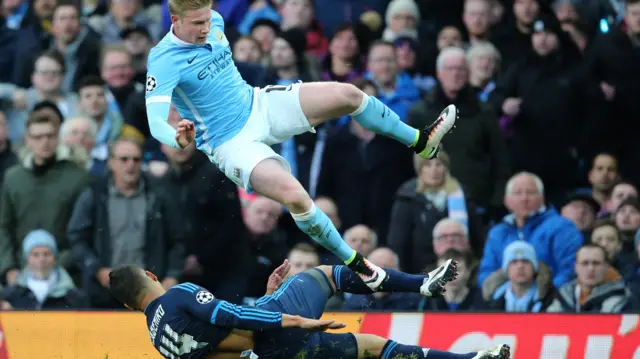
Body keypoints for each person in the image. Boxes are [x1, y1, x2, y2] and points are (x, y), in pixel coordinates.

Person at [144, 0, 457, 291]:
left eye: (206, 18)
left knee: (349, 95)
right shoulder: (163, 60)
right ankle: (362, 268)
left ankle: (421, 141)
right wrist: (176, 138)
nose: (204, 27)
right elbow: (156, 122)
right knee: (295, 196)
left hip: (258, 103)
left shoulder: (214, 19)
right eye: (196, 22)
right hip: (230, 143)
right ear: (175, 20)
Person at [109, 259, 510, 359]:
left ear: (130, 306)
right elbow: (233, 318)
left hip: (269, 352)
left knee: (370, 346)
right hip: (279, 333)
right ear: (150, 274)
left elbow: (224, 344)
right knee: (327, 274)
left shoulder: (159, 339)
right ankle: (420, 283)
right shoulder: (177, 294)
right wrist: (295, 318)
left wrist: (267, 297)